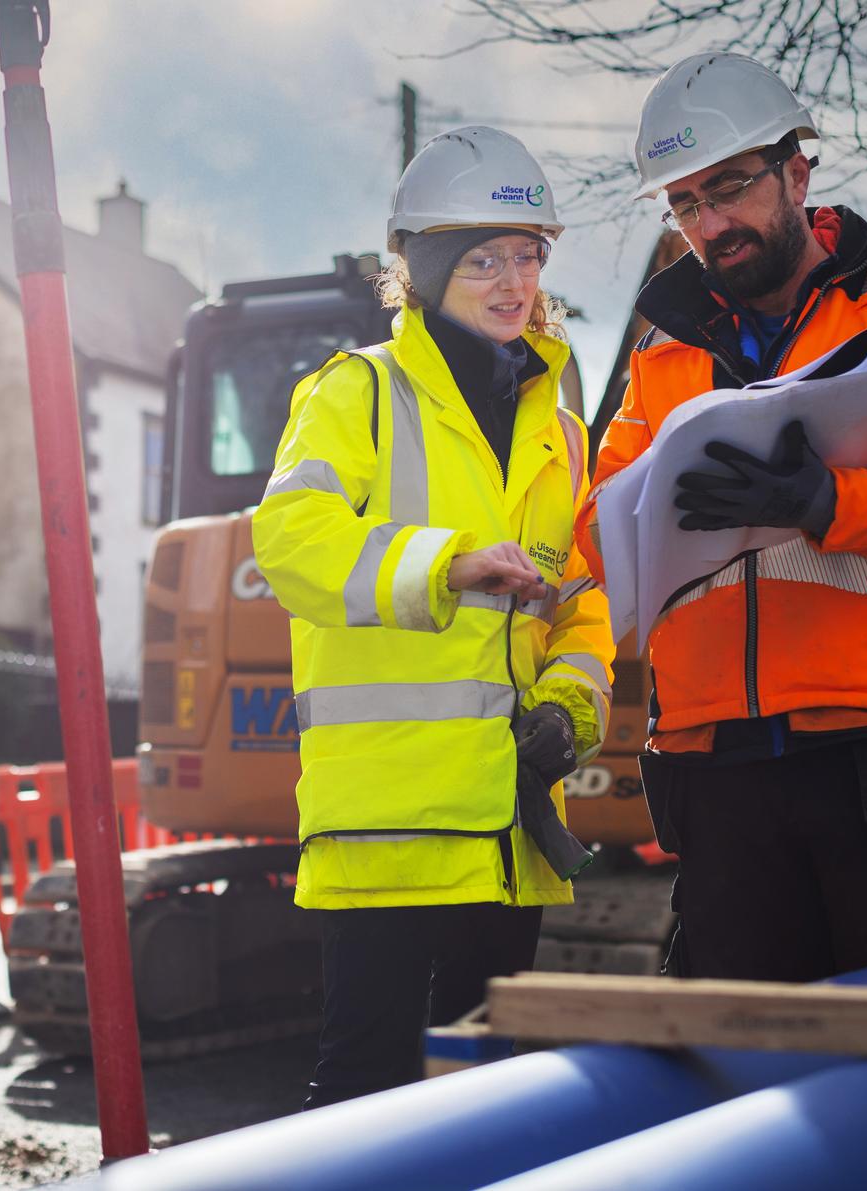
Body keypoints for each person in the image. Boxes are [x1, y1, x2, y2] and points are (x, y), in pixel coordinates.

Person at [575, 52, 867, 983]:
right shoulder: (663, 356)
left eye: (730, 188)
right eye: (686, 204)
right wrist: (648, 510)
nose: (711, 224)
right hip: (714, 763)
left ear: (796, 172)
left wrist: (831, 502)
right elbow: (599, 524)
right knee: (736, 1056)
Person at [252, 125, 615, 1109]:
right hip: (390, 828)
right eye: (484, 260)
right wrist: (446, 566)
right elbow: (290, 540)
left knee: (483, 1099)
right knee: (365, 1099)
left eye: (528, 256)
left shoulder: (562, 435)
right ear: (423, 270)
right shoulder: (358, 391)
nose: (513, 282)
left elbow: (582, 604)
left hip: (510, 831)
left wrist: (570, 712)